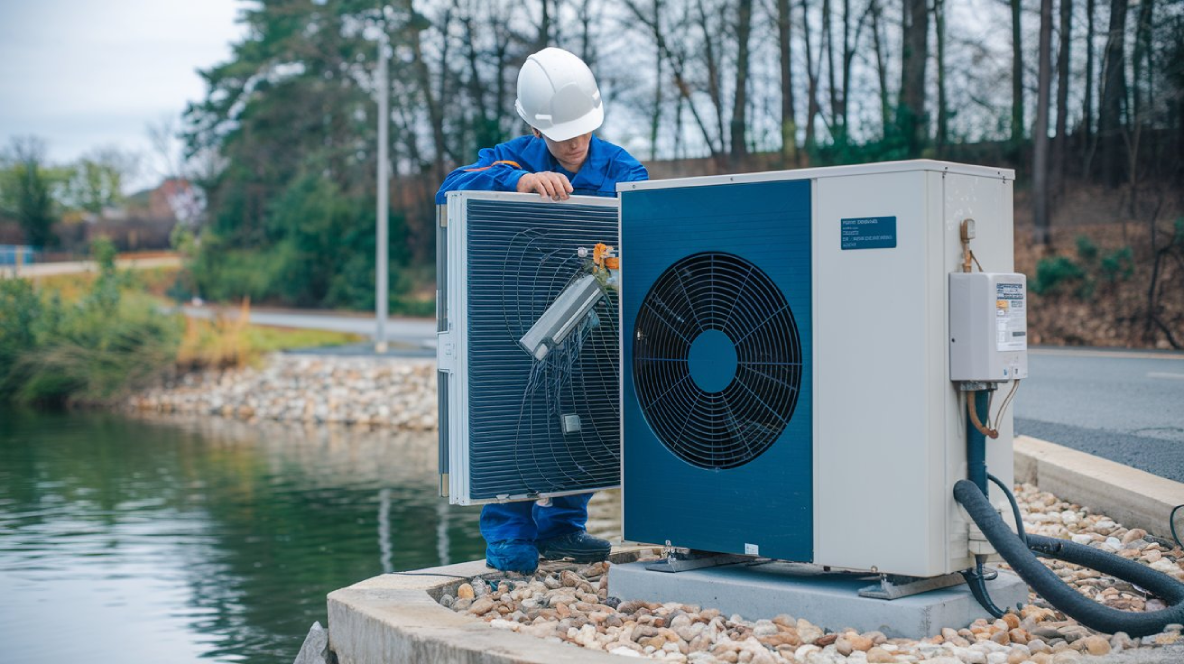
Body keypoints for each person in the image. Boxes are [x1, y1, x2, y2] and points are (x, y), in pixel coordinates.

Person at [436, 47, 648, 573]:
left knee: (585, 419)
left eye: (583, 130)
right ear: (535, 126)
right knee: (515, 418)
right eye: (562, 133)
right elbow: (451, 189)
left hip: (595, 324)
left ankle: (563, 529)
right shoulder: (512, 158)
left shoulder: (623, 169)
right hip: (517, 323)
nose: (575, 142)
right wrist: (519, 184)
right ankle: (510, 539)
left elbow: (648, 227)